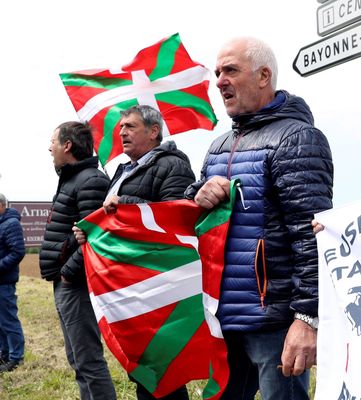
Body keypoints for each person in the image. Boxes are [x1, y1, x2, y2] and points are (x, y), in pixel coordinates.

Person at [184, 37, 334, 400]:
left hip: (274, 323)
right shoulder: (218, 146)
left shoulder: (298, 139)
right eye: (218, 72)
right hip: (225, 320)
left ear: (264, 75)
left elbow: (310, 235)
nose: (219, 80)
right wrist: (197, 195)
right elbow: (197, 217)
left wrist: (306, 318)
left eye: (230, 70)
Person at [74, 104, 196, 400]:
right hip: (126, 286)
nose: (122, 132)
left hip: (155, 287)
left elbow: (177, 221)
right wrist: (89, 232)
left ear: (154, 131)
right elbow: (110, 220)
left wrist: (124, 203)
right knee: (143, 371)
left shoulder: (173, 166)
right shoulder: (122, 170)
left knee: (162, 376)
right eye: (120, 127)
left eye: (130, 126)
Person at [39, 121, 117, 399]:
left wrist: (69, 273)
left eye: (53, 141)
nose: (49, 148)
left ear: (67, 146)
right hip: (65, 282)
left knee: (89, 361)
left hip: (77, 284)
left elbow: (97, 237)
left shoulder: (91, 180)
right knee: (78, 361)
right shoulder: (73, 179)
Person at [0, 193, 25, 373]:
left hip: (4, 281)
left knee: (8, 320)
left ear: (2, 205)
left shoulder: (11, 223)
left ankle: (16, 357)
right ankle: (4, 355)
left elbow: (17, 252)